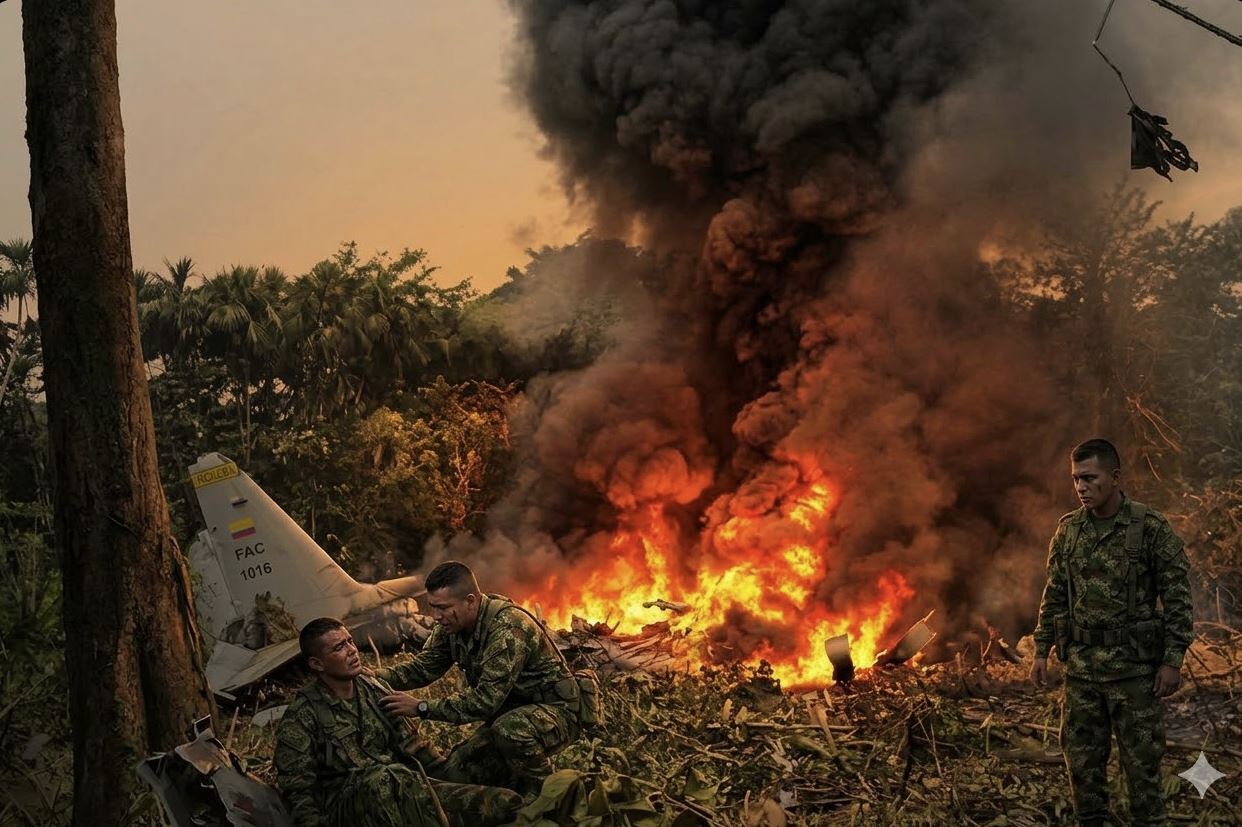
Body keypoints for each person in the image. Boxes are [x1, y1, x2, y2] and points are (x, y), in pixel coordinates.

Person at [1031, 439, 1194, 827]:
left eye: (1090, 478)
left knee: (1144, 783)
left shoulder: (1150, 529)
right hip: (1083, 676)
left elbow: (1178, 599)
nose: (1081, 487)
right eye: (1075, 480)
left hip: (1134, 677)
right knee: (1084, 779)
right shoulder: (1069, 532)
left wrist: (1173, 661)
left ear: (1115, 477)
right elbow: (1054, 594)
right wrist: (1041, 649)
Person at [273, 617, 522, 827]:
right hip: (351, 807)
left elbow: (413, 748)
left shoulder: (374, 689)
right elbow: (298, 791)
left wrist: (452, 776)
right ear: (317, 664)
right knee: (381, 779)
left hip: (402, 790)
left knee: (502, 801)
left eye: (350, 641)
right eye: (339, 647)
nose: (352, 650)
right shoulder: (302, 716)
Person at [377, 560, 582, 794]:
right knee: (455, 774)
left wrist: (421, 707)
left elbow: (484, 702)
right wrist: (369, 675)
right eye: (432, 607)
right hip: (507, 715)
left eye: (443, 607)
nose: (435, 616)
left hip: (556, 713)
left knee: (511, 731)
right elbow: (421, 669)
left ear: (470, 601)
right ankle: (514, 785)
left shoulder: (508, 628)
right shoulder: (451, 626)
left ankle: (552, 797)